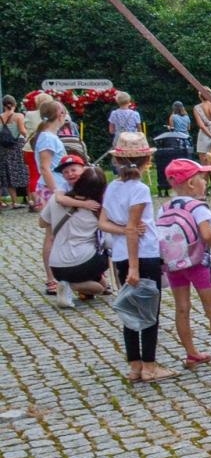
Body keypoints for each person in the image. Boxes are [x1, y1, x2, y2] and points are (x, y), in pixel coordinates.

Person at [100, 132, 174, 382]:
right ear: (145, 161)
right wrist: (134, 266)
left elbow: (104, 223)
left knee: (130, 310)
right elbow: (133, 228)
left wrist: (122, 230)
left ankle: (134, 365)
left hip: (120, 253)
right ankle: (150, 366)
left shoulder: (112, 187)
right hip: (142, 254)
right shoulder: (139, 189)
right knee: (149, 310)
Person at [159, 158, 211, 369]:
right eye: (202, 177)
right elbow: (207, 235)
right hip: (198, 263)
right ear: (191, 183)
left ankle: (191, 353)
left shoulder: (164, 208)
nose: (205, 181)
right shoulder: (197, 207)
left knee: (182, 308)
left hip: (174, 265)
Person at [39, 155, 109, 308]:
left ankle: (68, 283)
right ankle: (72, 286)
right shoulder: (98, 208)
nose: (70, 174)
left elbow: (42, 223)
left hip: (56, 266)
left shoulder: (56, 197)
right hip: (84, 262)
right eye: (66, 171)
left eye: (74, 170)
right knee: (100, 286)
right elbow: (107, 241)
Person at [31, 98, 71, 293]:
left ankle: (61, 273)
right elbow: (45, 168)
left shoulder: (50, 136)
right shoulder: (47, 137)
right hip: (52, 189)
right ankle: (51, 278)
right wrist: (56, 191)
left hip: (58, 187)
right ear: (59, 115)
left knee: (58, 234)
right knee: (52, 236)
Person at [1, 95, 28, 209]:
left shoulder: (0, 116)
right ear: (15, 104)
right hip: (16, 147)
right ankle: (23, 200)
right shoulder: (18, 116)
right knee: (21, 172)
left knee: (6, 174)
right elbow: (22, 131)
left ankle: (8, 202)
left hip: (2, 148)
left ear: (3, 105)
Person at [193, 86, 211, 190]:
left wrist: (210, 136)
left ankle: (203, 189)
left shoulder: (197, 108)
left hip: (204, 136)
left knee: (204, 164)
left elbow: (201, 125)